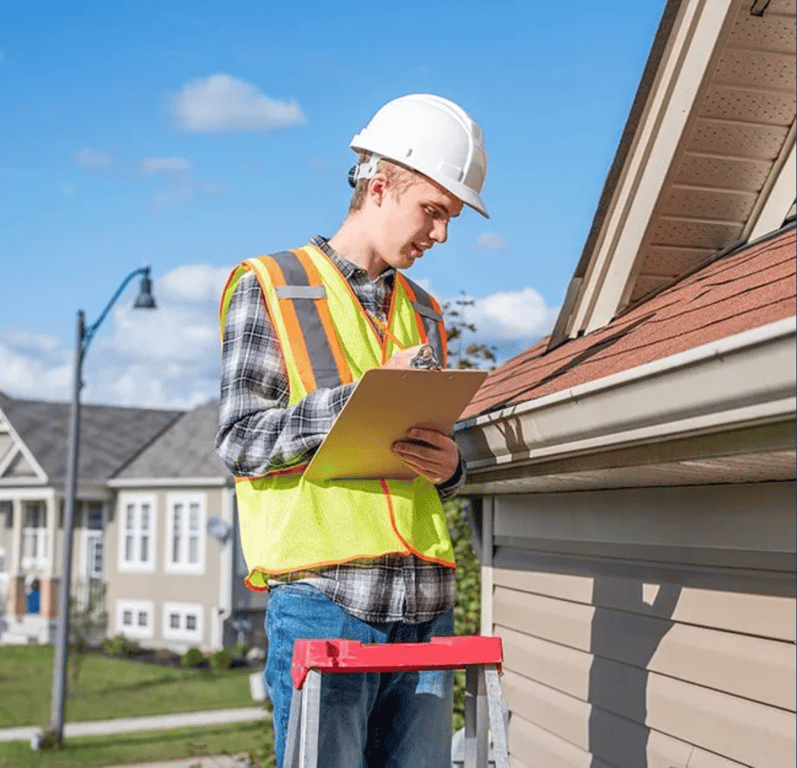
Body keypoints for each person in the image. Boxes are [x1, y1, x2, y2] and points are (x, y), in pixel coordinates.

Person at [215, 93, 489, 768]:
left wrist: (449, 466)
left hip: (425, 601)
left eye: (450, 219)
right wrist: (353, 402)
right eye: (433, 211)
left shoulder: (424, 313)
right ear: (378, 185)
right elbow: (241, 442)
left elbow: (423, 468)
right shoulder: (270, 286)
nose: (441, 235)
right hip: (326, 597)